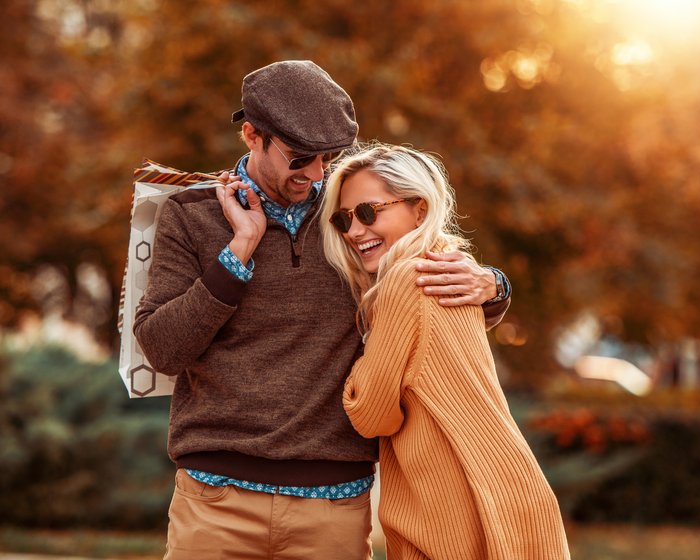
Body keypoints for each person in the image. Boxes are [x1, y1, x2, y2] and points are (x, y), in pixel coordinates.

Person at [133, 61, 511, 560]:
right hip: (214, 502)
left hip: (333, 510)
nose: (314, 174)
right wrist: (238, 252)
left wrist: (492, 284)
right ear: (252, 135)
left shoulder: (351, 216)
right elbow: (162, 348)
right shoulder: (191, 214)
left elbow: (421, 284)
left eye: (326, 157)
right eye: (300, 158)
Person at [321, 144, 571, 560]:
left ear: (419, 209)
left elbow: (370, 413)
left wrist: (356, 366)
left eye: (369, 212)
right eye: (344, 218)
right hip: (506, 500)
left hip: (460, 518)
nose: (354, 231)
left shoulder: (406, 278)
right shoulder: (452, 269)